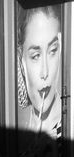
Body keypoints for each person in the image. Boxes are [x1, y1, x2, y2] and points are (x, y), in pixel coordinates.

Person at [17, 6, 62, 138]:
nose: (45, 72)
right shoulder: (18, 139)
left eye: (53, 50)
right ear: (21, 58)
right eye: (36, 56)